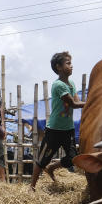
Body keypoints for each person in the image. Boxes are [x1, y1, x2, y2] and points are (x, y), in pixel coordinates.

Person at [30, 51, 84, 190]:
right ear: (58, 67)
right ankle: (32, 187)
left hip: (68, 129)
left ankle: (52, 167)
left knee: (73, 158)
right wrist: (92, 102)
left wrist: (87, 103)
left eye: (71, 63)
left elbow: (77, 101)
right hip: (54, 130)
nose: (71, 66)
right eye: (68, 63)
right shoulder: (58, 85)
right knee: (42, 160)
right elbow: (73, 104)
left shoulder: (71, 83)